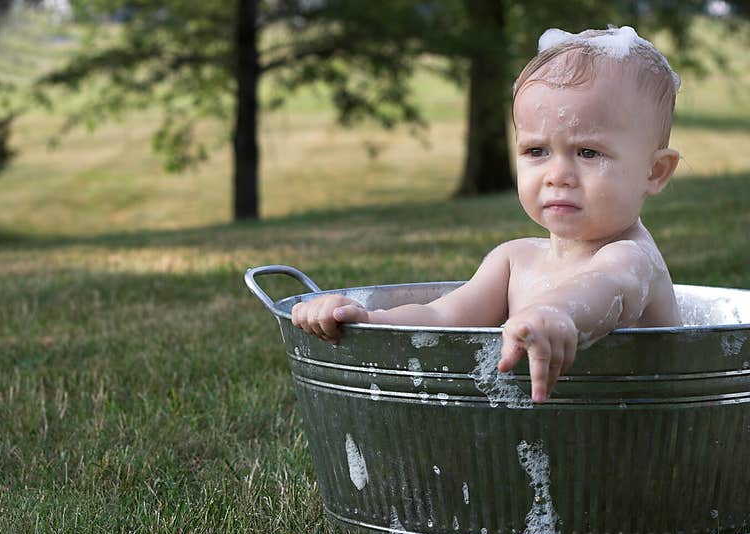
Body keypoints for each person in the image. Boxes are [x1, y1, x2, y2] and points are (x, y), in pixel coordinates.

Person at [291, 26, 683, 403]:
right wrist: (367, 320)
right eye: (536, 151)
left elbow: (604, 289)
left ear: (654, 172)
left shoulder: (632, 257)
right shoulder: (514, 260)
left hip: (632, 444)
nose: (557, 176)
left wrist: (557, 314)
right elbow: (441, 318)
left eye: (588, 153)